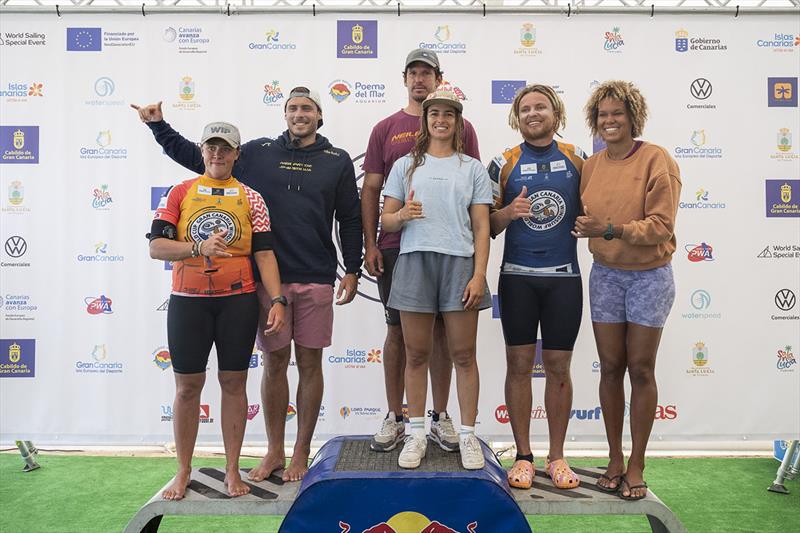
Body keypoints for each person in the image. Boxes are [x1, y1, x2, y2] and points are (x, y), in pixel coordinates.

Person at [132, 88, 363, 482]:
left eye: (306, 108)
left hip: (315, 277)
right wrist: (158, 126)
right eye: (292, 108)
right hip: (263, 281)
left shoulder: (337, 160)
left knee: (310, 365)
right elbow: (201, 157)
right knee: (274, 364)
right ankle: (275, 451)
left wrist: (353, 267)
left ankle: (301, 455)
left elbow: (352, 218)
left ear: (320, 116)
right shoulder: (257, 151)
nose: (299, 114)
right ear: (285, 114)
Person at [148, 122, 285, 500]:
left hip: (236, 301)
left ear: (237, 154)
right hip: (188, 302)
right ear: (202, 150)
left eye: (225, 148)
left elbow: (264, 252)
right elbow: (157, 247)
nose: (218, 154)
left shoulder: (251, 197)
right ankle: (183, 470)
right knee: (188, 387)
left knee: (233, 384)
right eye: (211, 147)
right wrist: (196, 248)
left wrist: (277, 299)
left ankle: (231, 469)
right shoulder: (180, 192)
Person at [362, 49, 481, 453]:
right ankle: (401, 420)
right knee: (403, 337)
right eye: (412, 72)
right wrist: (376, 238)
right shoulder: (390, 135)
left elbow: (477, 213)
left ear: (437, 78)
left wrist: (479, 270)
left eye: (426, 73)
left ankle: (445, 420)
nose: (419, 78)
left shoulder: (469, 153)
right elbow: (377, 198)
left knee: (452, 343)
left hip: (456, 257)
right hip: (403, 253)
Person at [574, 80, 681, 500]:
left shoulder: (658, 161)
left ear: (633, 117)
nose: (610, 121)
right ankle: (615, 457)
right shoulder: (592, 165)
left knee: (640, 369)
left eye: (617, 114)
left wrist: (610, 229)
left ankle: (637, 462)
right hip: (605, 274)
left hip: (649, 276)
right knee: (611, 366)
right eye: (603, 115)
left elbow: (661, 227)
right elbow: (585, 218)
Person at [380, 88, 492, 470]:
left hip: (460, 264)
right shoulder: (406, 165)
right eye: (434, 114)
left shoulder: (472, 168)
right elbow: (387, 219)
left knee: (463, 354)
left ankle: (467, 435)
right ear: (425, 120)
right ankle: (414, 434)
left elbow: (481, 226)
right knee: (416, 354)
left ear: (457, 121)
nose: (441, 120)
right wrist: (402, 217)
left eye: (448, 114)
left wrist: (479, 274)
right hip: (414, 262)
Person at [488, 85, 585, 490]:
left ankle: (558, 456)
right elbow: (486, 226)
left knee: (560, 368)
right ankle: (524, 456)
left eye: (540, 106)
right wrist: (508, 213)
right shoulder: (502, 163)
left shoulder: (579, 158)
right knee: (519, 367)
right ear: (517, 117)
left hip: (564, 279)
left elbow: (596, 210)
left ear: (555, 113)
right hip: (517, 278)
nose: (532, 113)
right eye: (525, 108)